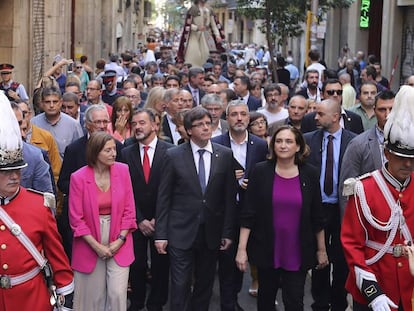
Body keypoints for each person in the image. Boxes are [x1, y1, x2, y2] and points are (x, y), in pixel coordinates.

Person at [236, 125, 328, 311]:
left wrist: (322, 249)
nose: (283, 145)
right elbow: (249, 214)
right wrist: (242, 249)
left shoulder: (309, 174)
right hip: (267, 247)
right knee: (266, 300)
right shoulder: (260, 171)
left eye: (288, 141)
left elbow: (317, 215)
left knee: (295, 301)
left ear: (298, 147)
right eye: (278, 141)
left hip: (298, 249)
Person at [155, 106, 237, 311]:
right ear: (189, 130)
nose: (205, 128)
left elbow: (228, 197)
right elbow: (164, 197)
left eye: (208, 123)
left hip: (211, 231)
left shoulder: (225, 155)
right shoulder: (173, 155)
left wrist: (227, 232)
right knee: (180, 284)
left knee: (205, 284)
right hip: (180, 231)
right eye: (199, 124)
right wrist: (161, 234)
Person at [341, 85, 414, 311]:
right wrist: (373, 293)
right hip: (375, 282)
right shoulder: (364, 188)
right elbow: (352, 243)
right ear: (386, 153)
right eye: (401, 158)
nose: (408, 164)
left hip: (410, 285)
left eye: (412, 158)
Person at [0, 94, 74, 310]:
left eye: (17, 171)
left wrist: (66, 295)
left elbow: (57, 257)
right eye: (7, 172)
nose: (15, 176)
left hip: (31, 298)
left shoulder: (39, 205)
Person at [69, 131, 137, 310]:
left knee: (117, 293)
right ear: (95, 152)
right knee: (92, 297)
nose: (113, 153)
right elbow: (76, 219)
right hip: (89, 239)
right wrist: (97, 246)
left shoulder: (123, 171)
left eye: (114, 149)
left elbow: (130, 210)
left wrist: (120, 240)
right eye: (107, 150)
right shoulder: (78, 177)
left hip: (119, 235)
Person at [304, 99, 356, 311]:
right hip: (318, 208)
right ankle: (320, 302)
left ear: (335, 117)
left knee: (342, 259)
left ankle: (338, 303)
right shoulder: (308, 140)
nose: (315, 117)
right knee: (319, 257)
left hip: (344, 209)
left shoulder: (354, 142)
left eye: (320, 114)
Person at [122, 108, 174, 311]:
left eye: (142, 123)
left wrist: (158, 220)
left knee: (161, 266)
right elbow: (125, 190)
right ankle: (136, 303)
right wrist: (140, 219)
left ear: (155, 124)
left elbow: (172, 190)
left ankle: (156, 304)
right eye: (134, 124)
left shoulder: (170, 151)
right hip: (136, 220)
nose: (137, 127)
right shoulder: (126, 153)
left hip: (162, 219)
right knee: (137, 265)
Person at [339, 90, 395, 215]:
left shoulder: (409, 142)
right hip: (370, 215)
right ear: (374, 111)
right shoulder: (358, 144)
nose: (388, 115)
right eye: (382, 110)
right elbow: (347, 189)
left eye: (392, 109)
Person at [177, 0, 224, 67]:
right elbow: (188, 25)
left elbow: (213, 24)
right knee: (193, 54)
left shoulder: (209, 9)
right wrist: (197, 28)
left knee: (206, 54)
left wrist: (217, 35)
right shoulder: (193, 9)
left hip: (205, 35)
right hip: (194, 35)